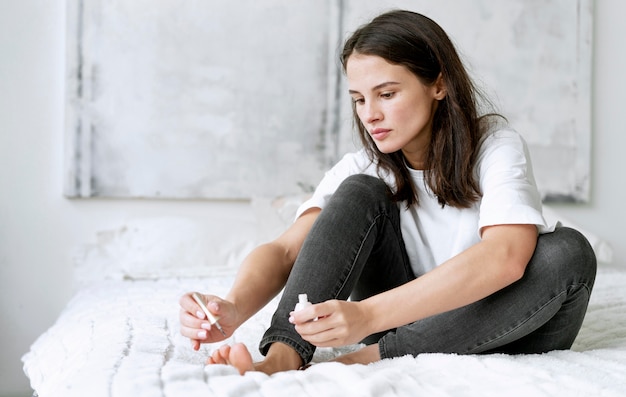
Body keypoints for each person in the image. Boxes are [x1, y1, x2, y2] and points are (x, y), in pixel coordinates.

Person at [179, 9, 597, 375]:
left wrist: (365, 316)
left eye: (387, 94)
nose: (370, 114)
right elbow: (287, 251)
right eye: (359, 99)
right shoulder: (365, 164)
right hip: (398, 316)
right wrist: (232, 308)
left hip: (502, 322)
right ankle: (283, 357)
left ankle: (368, 359)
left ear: (439, 84)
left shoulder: (494, 145)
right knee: (359, 189)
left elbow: (505, 258)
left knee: (568, 253)